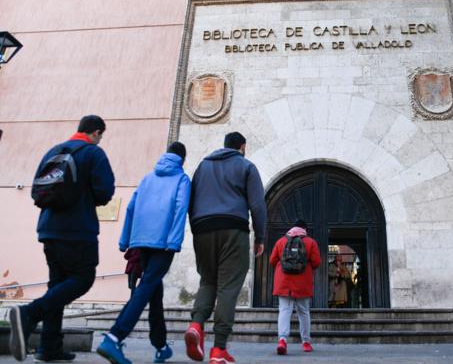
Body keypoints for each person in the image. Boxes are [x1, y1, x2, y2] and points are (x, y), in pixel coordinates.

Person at [9, 115, 115, 362]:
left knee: (57, 286)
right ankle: (28, 314)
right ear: (97, 133)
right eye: (101, 136)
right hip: (78, 229)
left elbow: (39, 190)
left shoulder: (54, 151)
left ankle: (49, 347)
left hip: (48, 228)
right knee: (83, 278)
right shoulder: (93, 154)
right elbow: (104, 191)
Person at [96, 141, 191, 364]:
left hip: (141, 240)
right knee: (147, 287)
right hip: (163, 243)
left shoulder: (148, 178)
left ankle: (161, 346)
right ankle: (114, 336)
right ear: (183, 160)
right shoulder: (182, 179)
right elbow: (180, 208)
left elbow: (131, 207)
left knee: (153, 290)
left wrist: (125, 240)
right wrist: (174, 241)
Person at [185, 132, 266, 364]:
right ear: (242, 147)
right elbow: (258, 205)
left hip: (202, 229)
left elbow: (191, 201)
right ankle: (219, 349)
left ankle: (196, 325)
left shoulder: (202, 166)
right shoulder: (246, 166)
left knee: (208, 281)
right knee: (228, 288)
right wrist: (260, 237)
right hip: (233, 229)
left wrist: (197, 229)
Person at [269, 220, 320, 355]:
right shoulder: (310, 242)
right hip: (303, 282)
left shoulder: (281, 241)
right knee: (303, 312)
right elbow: (316, 262)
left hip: (284, 282)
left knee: (284, 311)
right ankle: (306, 342)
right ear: (305, 229)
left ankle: (282, 340)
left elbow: (272, 260)